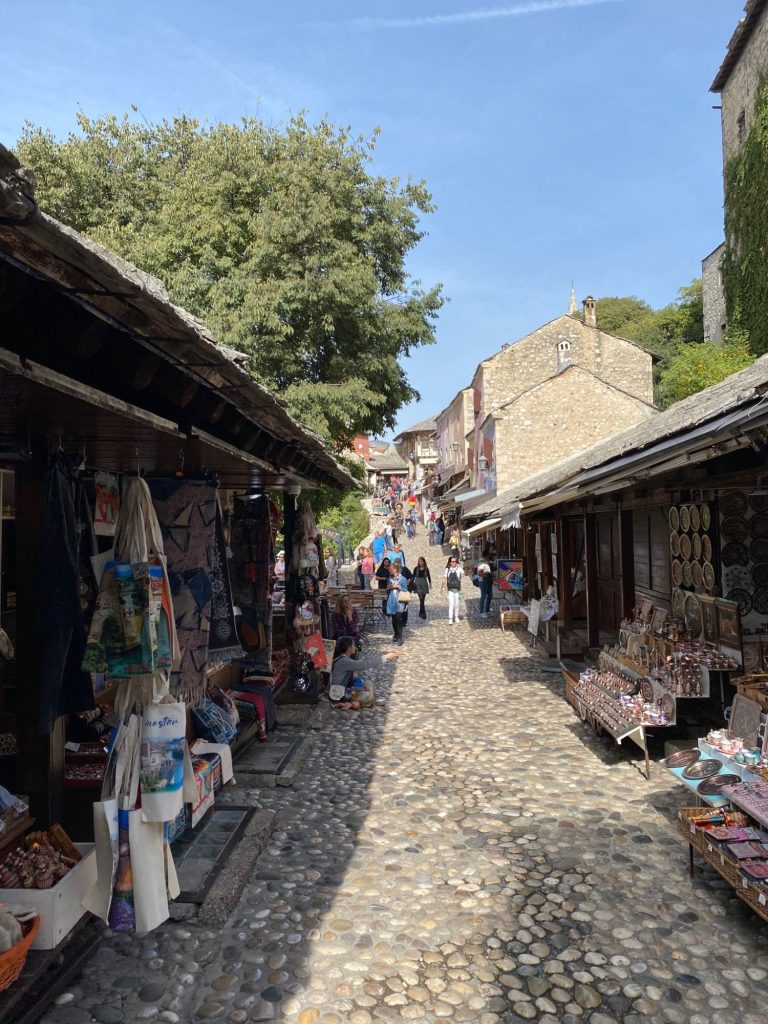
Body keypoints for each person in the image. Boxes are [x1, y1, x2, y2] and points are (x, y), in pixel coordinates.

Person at [330, 636, 398, 709]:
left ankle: (364, 701)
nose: (355, 647)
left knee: (368, 684)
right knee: (368, 695)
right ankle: (354, 703)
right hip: (337, 693)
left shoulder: (344, 658)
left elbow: (351, 683)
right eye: (353, 645)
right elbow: (366, 664)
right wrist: (386, 657)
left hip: (344, 689)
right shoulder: (344, 661)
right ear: (349, 647)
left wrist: (360, 689)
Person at [386, 560, 408, 645]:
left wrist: (398, 586)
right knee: (394, 619)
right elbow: (386, 589)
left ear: (395, 569)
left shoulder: (403, 579)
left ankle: (400, 637)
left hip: (400, 601)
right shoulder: (390, 578)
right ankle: (396, 633)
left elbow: (405, 590)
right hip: (391, 600)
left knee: (399, 618)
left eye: (390, 569)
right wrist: (389, 587)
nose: (389, 570)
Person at [441, 555, 464, 624]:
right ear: (450, 562)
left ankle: (456, 617)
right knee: (451, 604)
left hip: (457, 589)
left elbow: (465, 573)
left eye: (455, 561)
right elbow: (444, 578)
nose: (454, 563)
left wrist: (468, 570)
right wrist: (441, 588)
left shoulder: (459, 569)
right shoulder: (447, 570)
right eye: (453, 562)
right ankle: (450, 618)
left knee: (457, 604)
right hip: (450, 589)